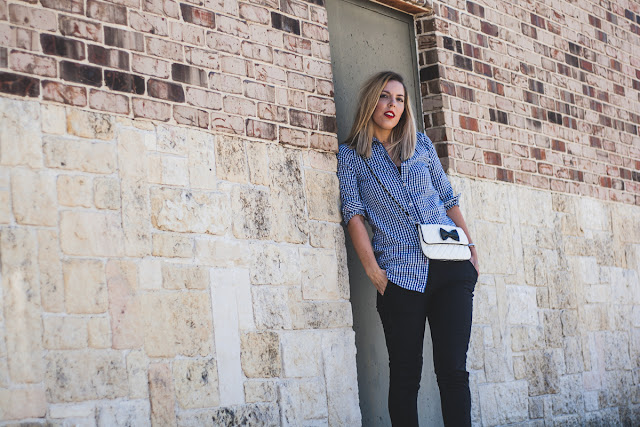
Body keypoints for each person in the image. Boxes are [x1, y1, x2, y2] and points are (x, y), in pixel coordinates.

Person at [337, 71, 479, 427]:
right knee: (405, 377)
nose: (392, 105)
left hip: (451, 267)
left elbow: (448, 199)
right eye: (385, 97)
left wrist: (472, 250)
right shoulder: (352, 155)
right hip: (401, 274)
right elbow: (353, 213)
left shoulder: (422, 146)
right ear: (372, 101)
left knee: (453, 373)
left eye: (399, 99)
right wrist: (373, 270)